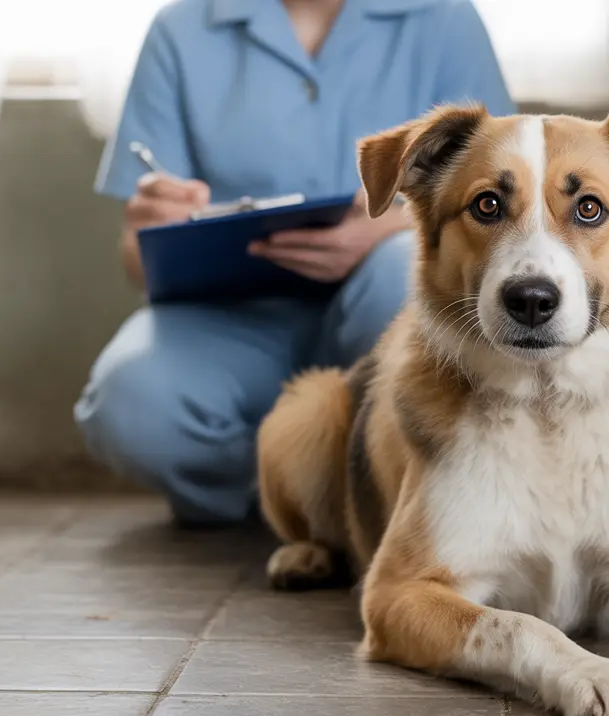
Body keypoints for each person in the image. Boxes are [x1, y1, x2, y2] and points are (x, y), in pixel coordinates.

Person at [74, 0, 516, 526]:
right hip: (224, 316)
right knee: (129, 402)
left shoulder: (445, 19)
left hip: (378, 301)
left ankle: (349, 502)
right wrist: (150, 226)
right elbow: (138, 258)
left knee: (407, 268)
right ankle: (318, 503)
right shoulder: (180, 29)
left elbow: (501, 200)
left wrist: (386, 224)